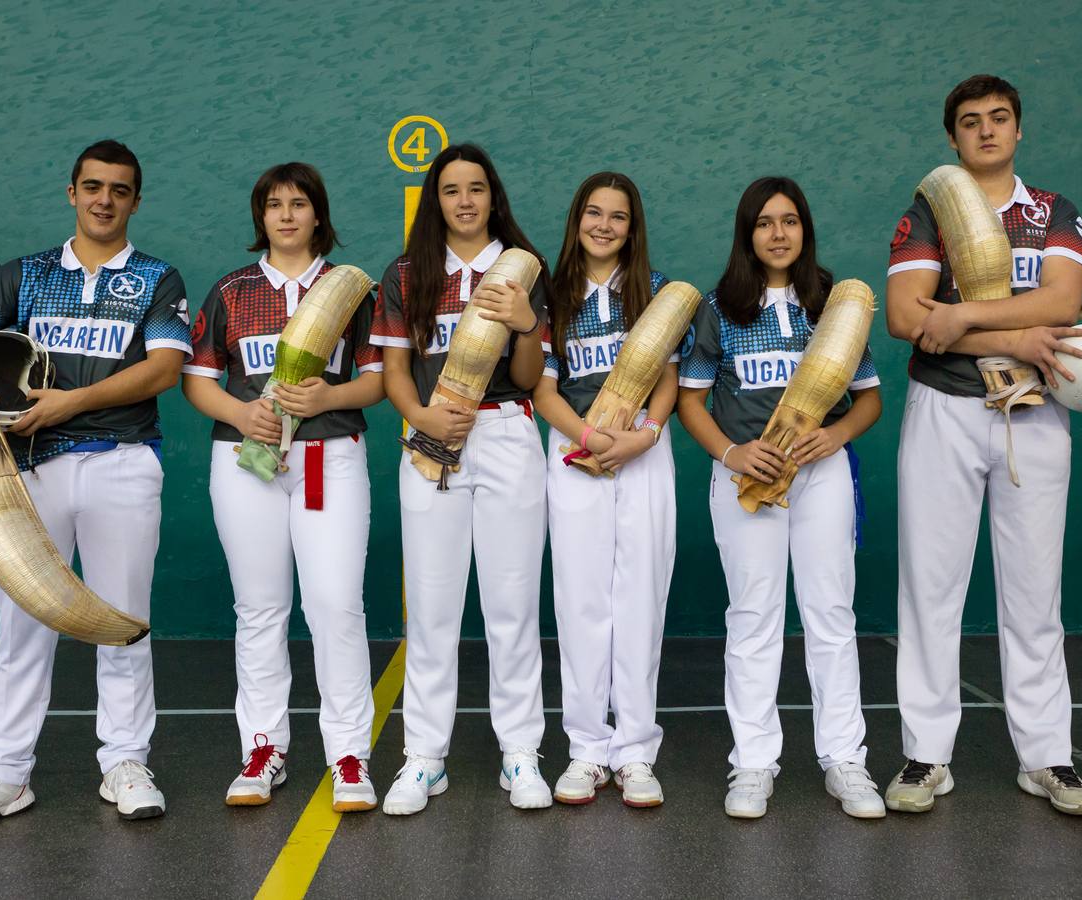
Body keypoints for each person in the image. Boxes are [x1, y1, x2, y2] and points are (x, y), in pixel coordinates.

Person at [0, 139, 191, 838]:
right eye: (93, 187)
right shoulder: (25, 274)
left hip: (122, 462)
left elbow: (163, 367)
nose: (105, 199)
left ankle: (126, 762)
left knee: (123, 620)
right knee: (23, 624)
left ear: (135, 200)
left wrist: (72, 403)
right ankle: (5, 774)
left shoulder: (158, 280)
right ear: (71, 192)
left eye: (120, 190)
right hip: (31, 471)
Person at [883, 74, 1082, 816]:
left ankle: (1046, 758)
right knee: (930, 588)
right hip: (943, 409)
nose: (984, 131)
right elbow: (905, 316)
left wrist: (962, 317)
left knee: (1034, 594)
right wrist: (1010, 333)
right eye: (970, 122)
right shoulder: (927, 213)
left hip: (1034, 417)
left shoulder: (1052, 211)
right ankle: (925, 756)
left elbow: (1063, 303)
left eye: (998, 119)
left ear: (1018, 130)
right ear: (951, 137)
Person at [677, 176, 885, 820]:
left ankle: (845, 760)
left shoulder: (833, 305)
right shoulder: (719, 307)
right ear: (748, 233)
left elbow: (870, 398)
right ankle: (753, 763)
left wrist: (836, 433)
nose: (778, 233)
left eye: (789, 221)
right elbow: (689, 400)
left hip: (820, 478)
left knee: (830, 616)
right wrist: (731, 452)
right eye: (765, 222)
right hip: (744, 479)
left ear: (804, 229)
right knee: (754, 618)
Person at [182, 162, 383, 811]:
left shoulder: (349, 288)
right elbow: (199, 381)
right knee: (260, 607)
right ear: (260, 216)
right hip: (246, 462)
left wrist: (329, 392)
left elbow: (378, 381)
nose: (288, 215)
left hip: (324, 460)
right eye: (275, 205)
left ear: (318, 214)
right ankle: (264, 747)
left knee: (332, 604)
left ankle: (349, 753)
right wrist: (242, 413)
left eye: (300, 204)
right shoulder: (232, 292)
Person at [370, 144, 554, 815]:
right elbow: (393, 372)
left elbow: (532, 376)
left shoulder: (520, 270)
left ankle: (520, 755)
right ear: (435, 201)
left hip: (506, 432)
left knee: (511, 609)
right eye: (451, 190)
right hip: (429, 437)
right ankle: (424, 759)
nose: (466, 201)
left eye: (477, 188)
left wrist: (526, 323)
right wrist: (423, 418)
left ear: (493, 196)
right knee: (432, 609)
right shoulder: (407, 274)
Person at [534, 172, 675, 808]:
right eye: (594, 212)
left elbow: (670, 383)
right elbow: (543, 391)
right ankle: (587, 749)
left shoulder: (659, 293)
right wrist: (589, 439)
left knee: (641, 599)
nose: (605, 226)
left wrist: (642, 435)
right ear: (577, 219)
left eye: (618, 217)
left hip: (644, 455)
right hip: (573, 455)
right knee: (582, 602)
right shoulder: (550, 295)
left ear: (632, 227)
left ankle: (637, 751)